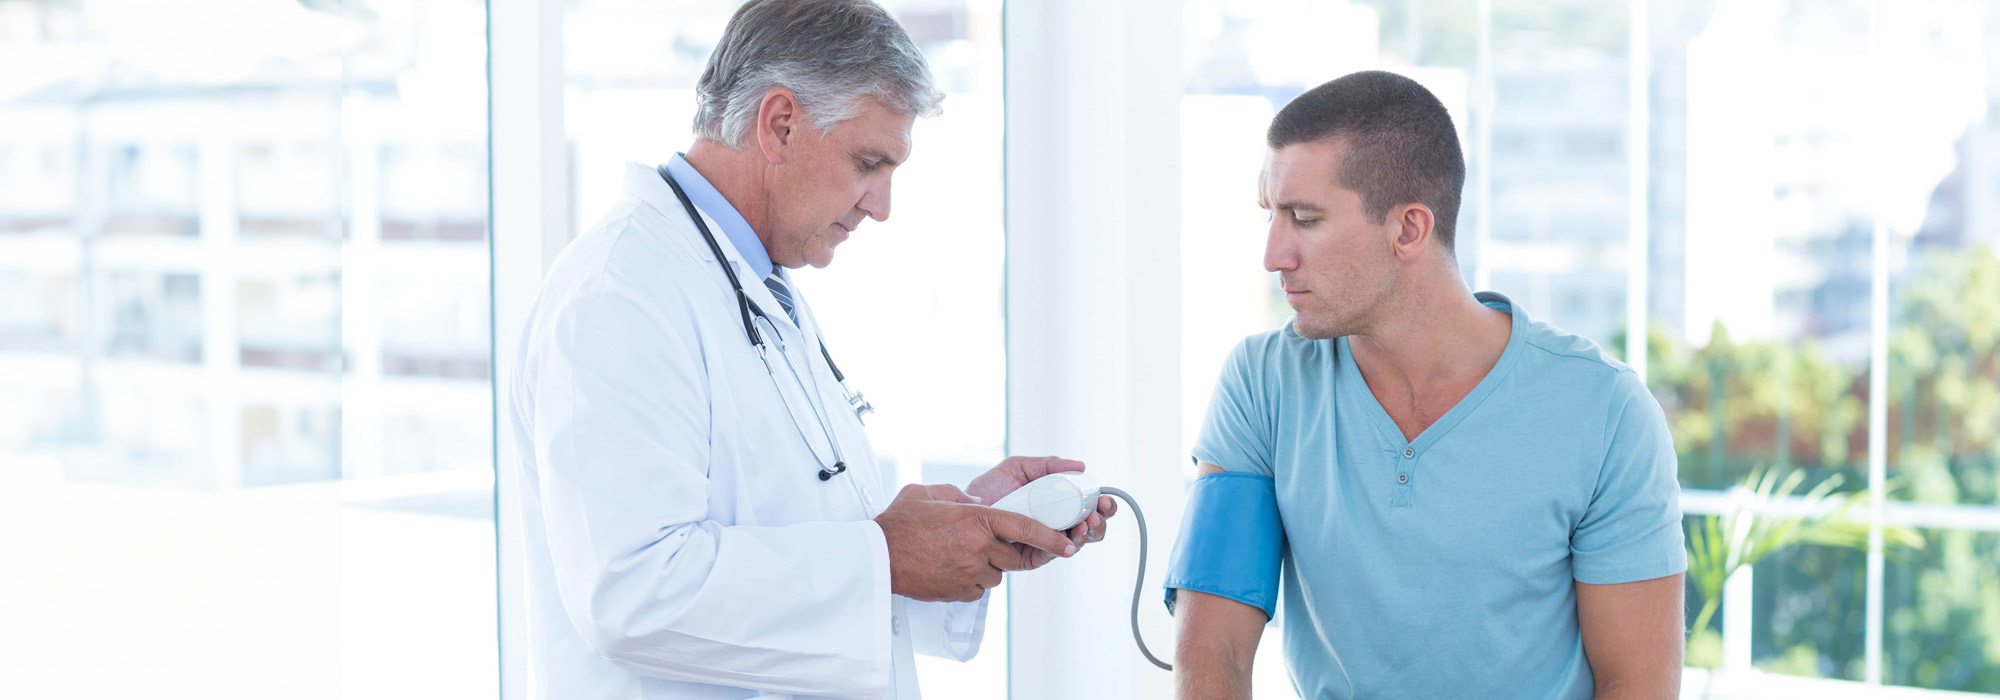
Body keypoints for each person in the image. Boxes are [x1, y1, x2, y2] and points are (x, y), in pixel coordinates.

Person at [506, 1, 1115, 698]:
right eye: (868, 163)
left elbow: (809, 551)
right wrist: (885, 555)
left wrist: (963, 528)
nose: (880, 206)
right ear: (780, 124)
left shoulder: (760, 289)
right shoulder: (619, 298)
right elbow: (633, 596)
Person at [1170, 70, 1686, 699]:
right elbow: (1212, 654)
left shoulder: (1605, 412)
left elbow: (1636, 685)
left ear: (1409, 229)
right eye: (1271, 215)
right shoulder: (1260, 383)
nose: (1275, 254)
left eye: (1303, 218)